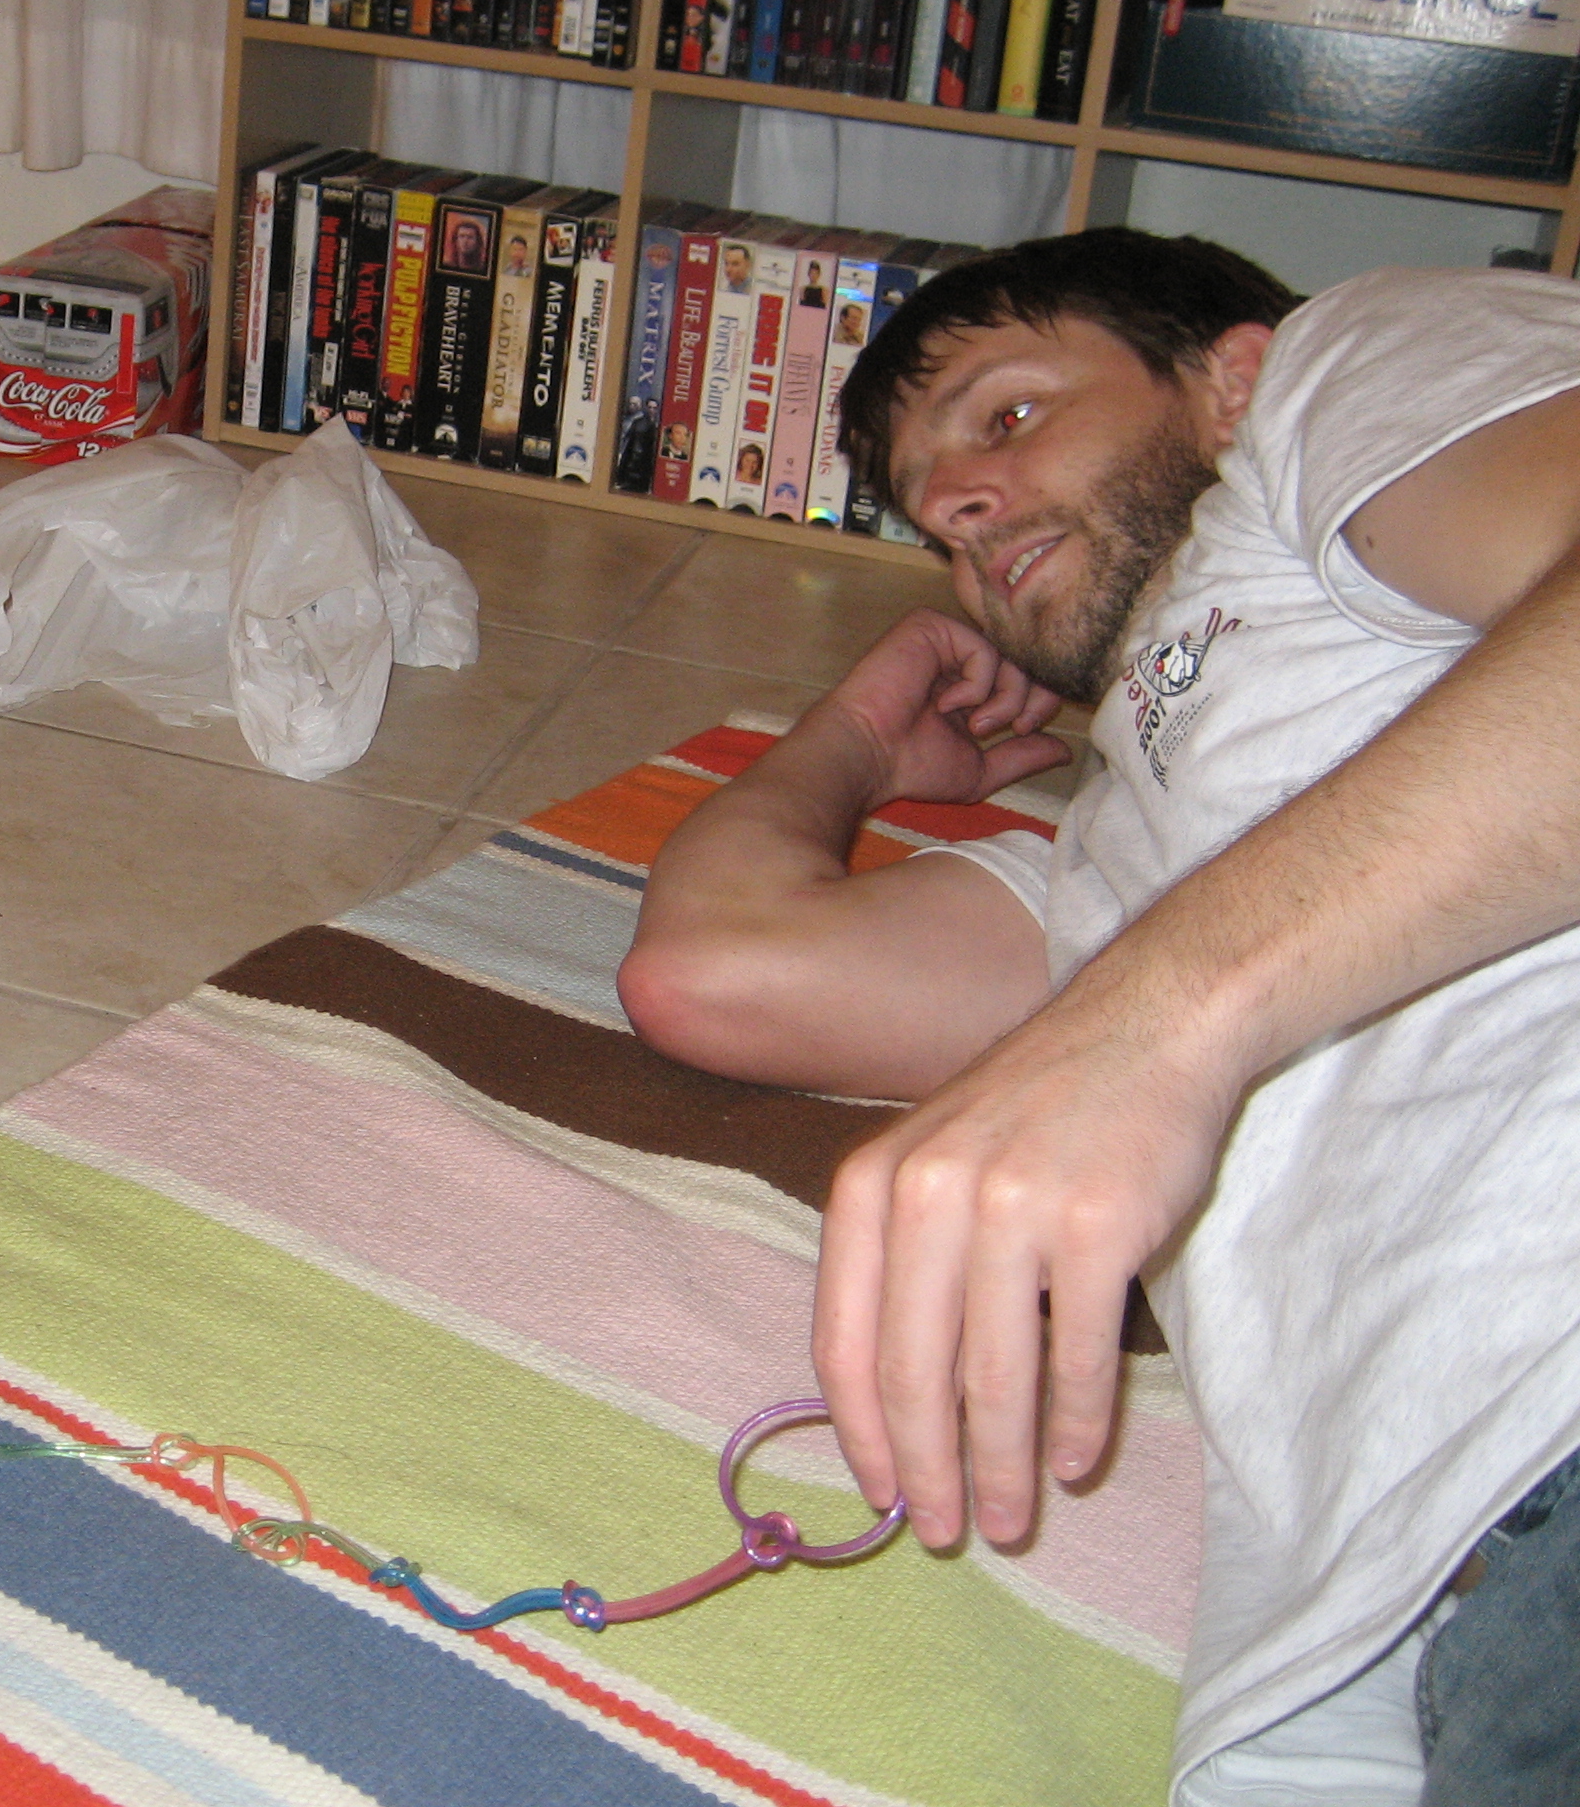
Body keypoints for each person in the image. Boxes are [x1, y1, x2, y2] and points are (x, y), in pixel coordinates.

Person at [618, 229, 1580, 1803]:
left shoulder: (1339, 364)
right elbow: (710, 970)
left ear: (1227, 375)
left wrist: (1162, 1020)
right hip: (1400, 1617)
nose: (959, 506)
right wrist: (856, 735)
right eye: (928, 511)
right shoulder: (1113, 857)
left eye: (1006, 417)